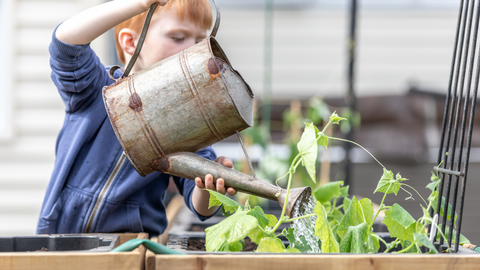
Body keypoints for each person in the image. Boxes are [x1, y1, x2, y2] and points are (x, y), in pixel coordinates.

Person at [36, 0, 236, 236]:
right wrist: (138, 4)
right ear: (131, 43)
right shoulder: (97, 89)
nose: (193, 49)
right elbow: (65, 43)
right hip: (61, 242)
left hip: (130, 250)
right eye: (178, 37)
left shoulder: (187, 120)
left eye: (199, 40)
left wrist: (210, 188)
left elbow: (199, 205)